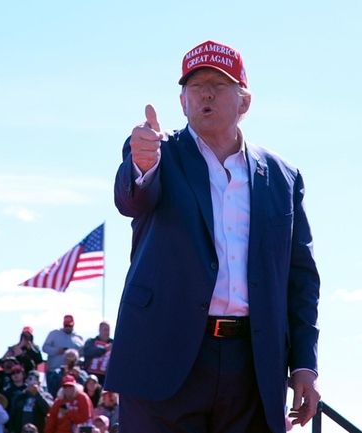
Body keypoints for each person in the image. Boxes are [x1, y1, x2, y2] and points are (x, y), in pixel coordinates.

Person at [107, 40, 321, 433]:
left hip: (252, 363)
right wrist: (140, 163)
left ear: (244, 101)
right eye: (196, 85)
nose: (205, 93)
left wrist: (304, 363)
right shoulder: (157, 153)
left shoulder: (283, 177)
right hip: (164, 358)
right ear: (183, 100)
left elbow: (300, 276)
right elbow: (132, 199)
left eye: (219, 84)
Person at [82, 322, 113, 386]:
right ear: (99, 330)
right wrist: (104, 350)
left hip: (105, 376)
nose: (107, 332)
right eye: (105, 330)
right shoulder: (91, 341)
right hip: (90, 373)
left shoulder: (113, 343)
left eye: (108, 330)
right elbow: (87, 352)